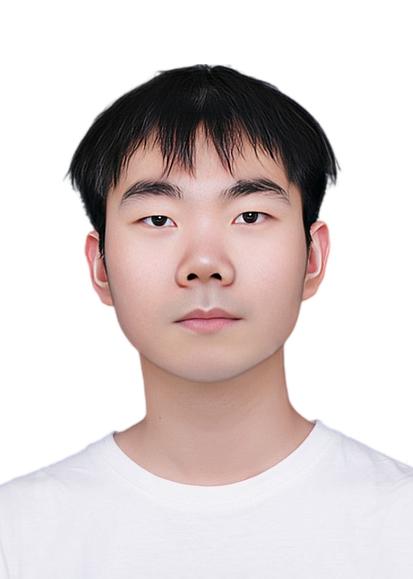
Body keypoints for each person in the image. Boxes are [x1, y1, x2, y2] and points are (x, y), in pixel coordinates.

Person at [0, 64, 412, 578]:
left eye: (250, 216)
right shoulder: (19, 536)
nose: (204, 262)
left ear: (313, 257)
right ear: (100, 265)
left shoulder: (400, 524)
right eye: (158, 219)